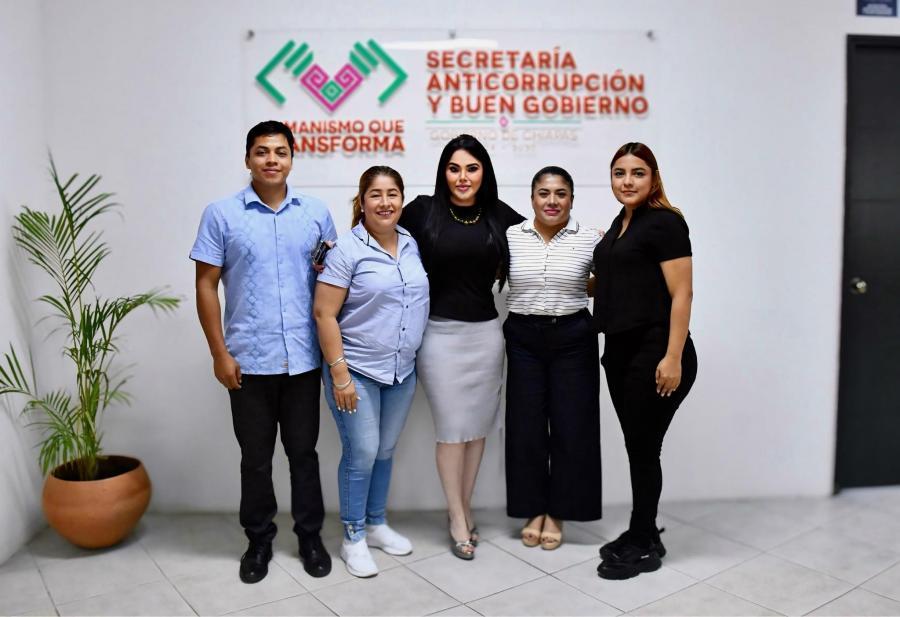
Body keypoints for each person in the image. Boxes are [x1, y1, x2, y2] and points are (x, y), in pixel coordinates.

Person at [191, 120, 334, 584]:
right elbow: (206, 285)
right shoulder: (221, 214)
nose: (271, 159)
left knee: (304, 454)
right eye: (261, 151)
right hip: (248, 361)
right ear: (248, 159)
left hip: (303, 360)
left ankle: (310, 537)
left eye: (280, 151)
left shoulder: (315, 214)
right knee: (255, 459)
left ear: (292, 157)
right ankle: (258, 541)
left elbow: (331, 283)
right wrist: (219, 353)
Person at [399, 134, 525, 559]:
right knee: (453, 431)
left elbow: (542, 238)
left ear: (484, 172)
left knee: (475, 431)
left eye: (472, 168)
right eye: (454, 169)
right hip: (438, 336)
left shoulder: (500, 216)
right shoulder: (423, 211)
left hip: (485, 337)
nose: (463, 177)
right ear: (443, 172)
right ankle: (456, 516)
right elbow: (378, 229)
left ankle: (464, 507)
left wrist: (592, 244)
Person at [313, 166, 429, 578]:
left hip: (401, 371)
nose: (385, 202)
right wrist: (340, 374)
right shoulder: (347, 250)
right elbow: (324, 313)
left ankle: (377, 524)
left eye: (392, 193)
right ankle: (353, 536)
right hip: (356, 370)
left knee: (384, 450)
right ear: (361, 202)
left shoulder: (411, 243)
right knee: (361, 453)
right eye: (375, 194)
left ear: (402, 199)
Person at [593, 142, 698, 580]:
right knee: (637, 446)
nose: (627, 181)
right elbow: (618, 281)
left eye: (638, 172)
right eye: (619, 173)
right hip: (619, 351)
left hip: (655, 352)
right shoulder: (621, 223)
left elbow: (682, 293)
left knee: (643, 448)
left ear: (653, 177)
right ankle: (645, 532)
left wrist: (672, 356)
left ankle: (642, 540)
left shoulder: (665, 223)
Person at [504, 166, 602, 550]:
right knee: (526, 427)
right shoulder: (512, 236)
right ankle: (533, 510)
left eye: (561, 193)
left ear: (572, 199)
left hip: (573, 338)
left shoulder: (590, 238)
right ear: (532, 198)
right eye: (544, 193)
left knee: (571, 427)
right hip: (524, 339)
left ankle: (559, 512)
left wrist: (579, 285)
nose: (552, 201)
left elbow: (607, 280)